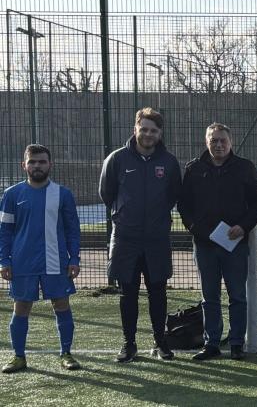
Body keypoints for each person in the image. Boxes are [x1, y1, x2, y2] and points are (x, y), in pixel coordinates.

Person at [100, 107, 182, 363]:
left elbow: (173, 195)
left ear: (160, 133)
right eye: (144, 129)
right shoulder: (116, 159)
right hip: (126, 237)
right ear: (135, 128)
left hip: (156, 239)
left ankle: (161, 342)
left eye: (153, 130)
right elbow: (107, 193)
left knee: (158, 293)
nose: (148, 134)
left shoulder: (168, 162)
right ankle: (129, 344)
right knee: (128, 293)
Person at [178, 123, 257, 361]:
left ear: (231, 142)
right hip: (204, 246)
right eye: (213, 140)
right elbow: (184, 206)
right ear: (207, 142)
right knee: (210, 297)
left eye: (222, 140)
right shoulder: (194, 169)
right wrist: (194, 229)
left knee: (237, 296)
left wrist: (243, 227)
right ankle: (212, 343)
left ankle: (237, 343)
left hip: (234, 244)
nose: (218, 144)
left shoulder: (245, 168)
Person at [1, 145, 82, 373]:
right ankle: (19, 357)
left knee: (62, 304)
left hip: (56, 261)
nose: (37, 166)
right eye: (32, 162)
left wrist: (74, 257)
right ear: (24, 165)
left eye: (42, 162)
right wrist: (3, 260)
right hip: (22, 262)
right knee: (21, 307)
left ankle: (66, 353)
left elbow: (72, 229)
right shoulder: (12, 194)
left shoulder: (63, 194)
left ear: (50, 165)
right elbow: (4, 231)